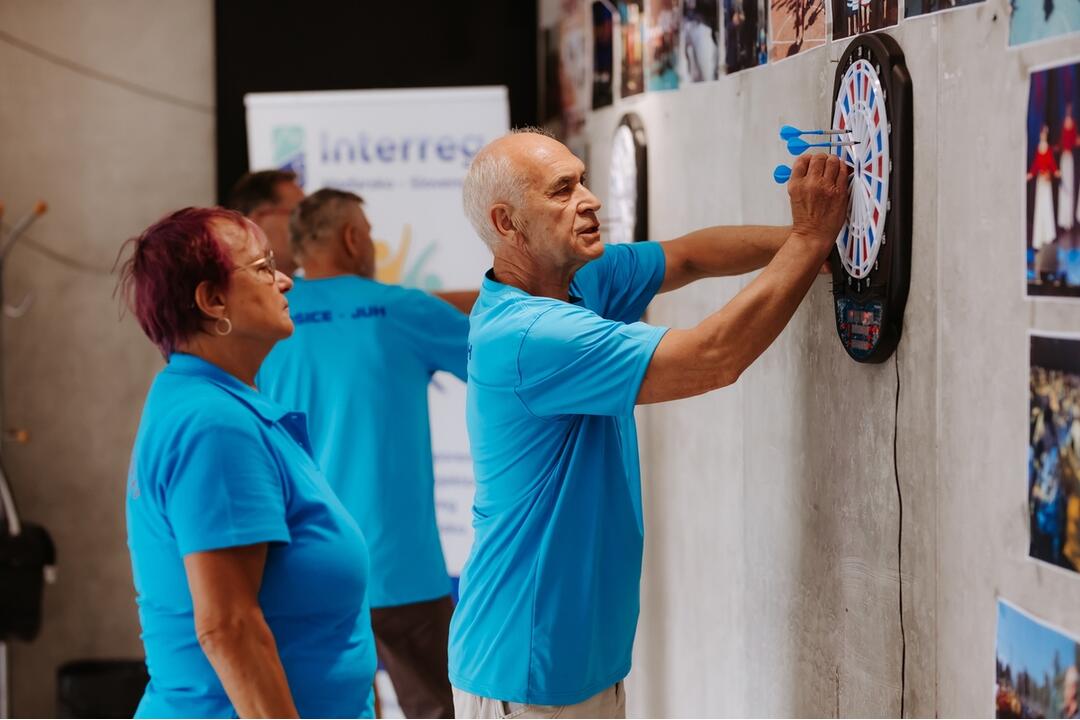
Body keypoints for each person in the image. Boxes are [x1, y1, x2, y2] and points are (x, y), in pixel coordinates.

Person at [448, 129, 849, 719]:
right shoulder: (531, 335)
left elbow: (688, 256)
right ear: (507, 223)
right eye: (562, 190)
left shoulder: (573, 283)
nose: (589, 199)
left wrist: (819, 247)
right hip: (525, 676)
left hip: (571, 666)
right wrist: (810, 239)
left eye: (582, 181)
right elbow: (713, 358)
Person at [118, 207, 377, 718]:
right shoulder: (214, 425)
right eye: (263, 268)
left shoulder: (216, 404)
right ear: (212, 301)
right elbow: (228, 626)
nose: (285, 280)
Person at [257, 189, 474, 718]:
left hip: (307, 569)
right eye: (369, 233)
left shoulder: (269, 322)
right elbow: (507, 361)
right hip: (402, 572)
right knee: (440, 710)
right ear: (353, 239)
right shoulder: (397, 310)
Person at [226, 169, 307, 276]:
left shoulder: (315, 285)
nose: (310, 225)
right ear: (253, 222)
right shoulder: (224, 285)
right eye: (299, 214)